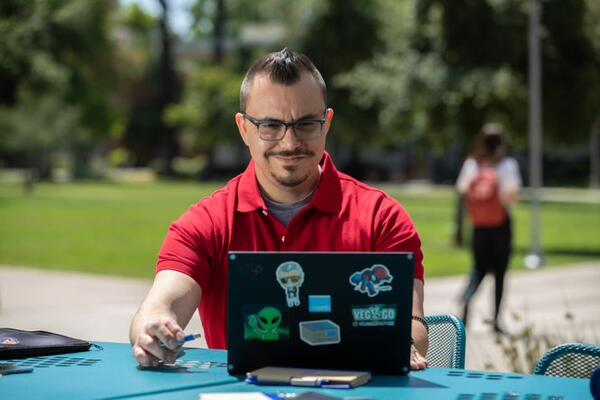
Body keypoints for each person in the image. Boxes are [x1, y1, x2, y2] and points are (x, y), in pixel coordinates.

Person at [129, 48, 428, 370]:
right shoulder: (205, 223)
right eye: (270, 125)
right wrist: (153, 327)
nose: (289, 143)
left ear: (326, 123)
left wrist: (405, 342)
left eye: (306, 124)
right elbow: (160, 305)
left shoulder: (382, 218)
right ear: (244, 129)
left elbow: (413, 321)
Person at [456, 123, 521, 334]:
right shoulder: (507, 164)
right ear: (501, 143)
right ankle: (496, 321)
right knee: (500, 274)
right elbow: (512, 197)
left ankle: (466, 304)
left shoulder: (472, 164)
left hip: (479, 227)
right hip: (501, 226)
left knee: (478, 269)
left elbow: (462, 191)